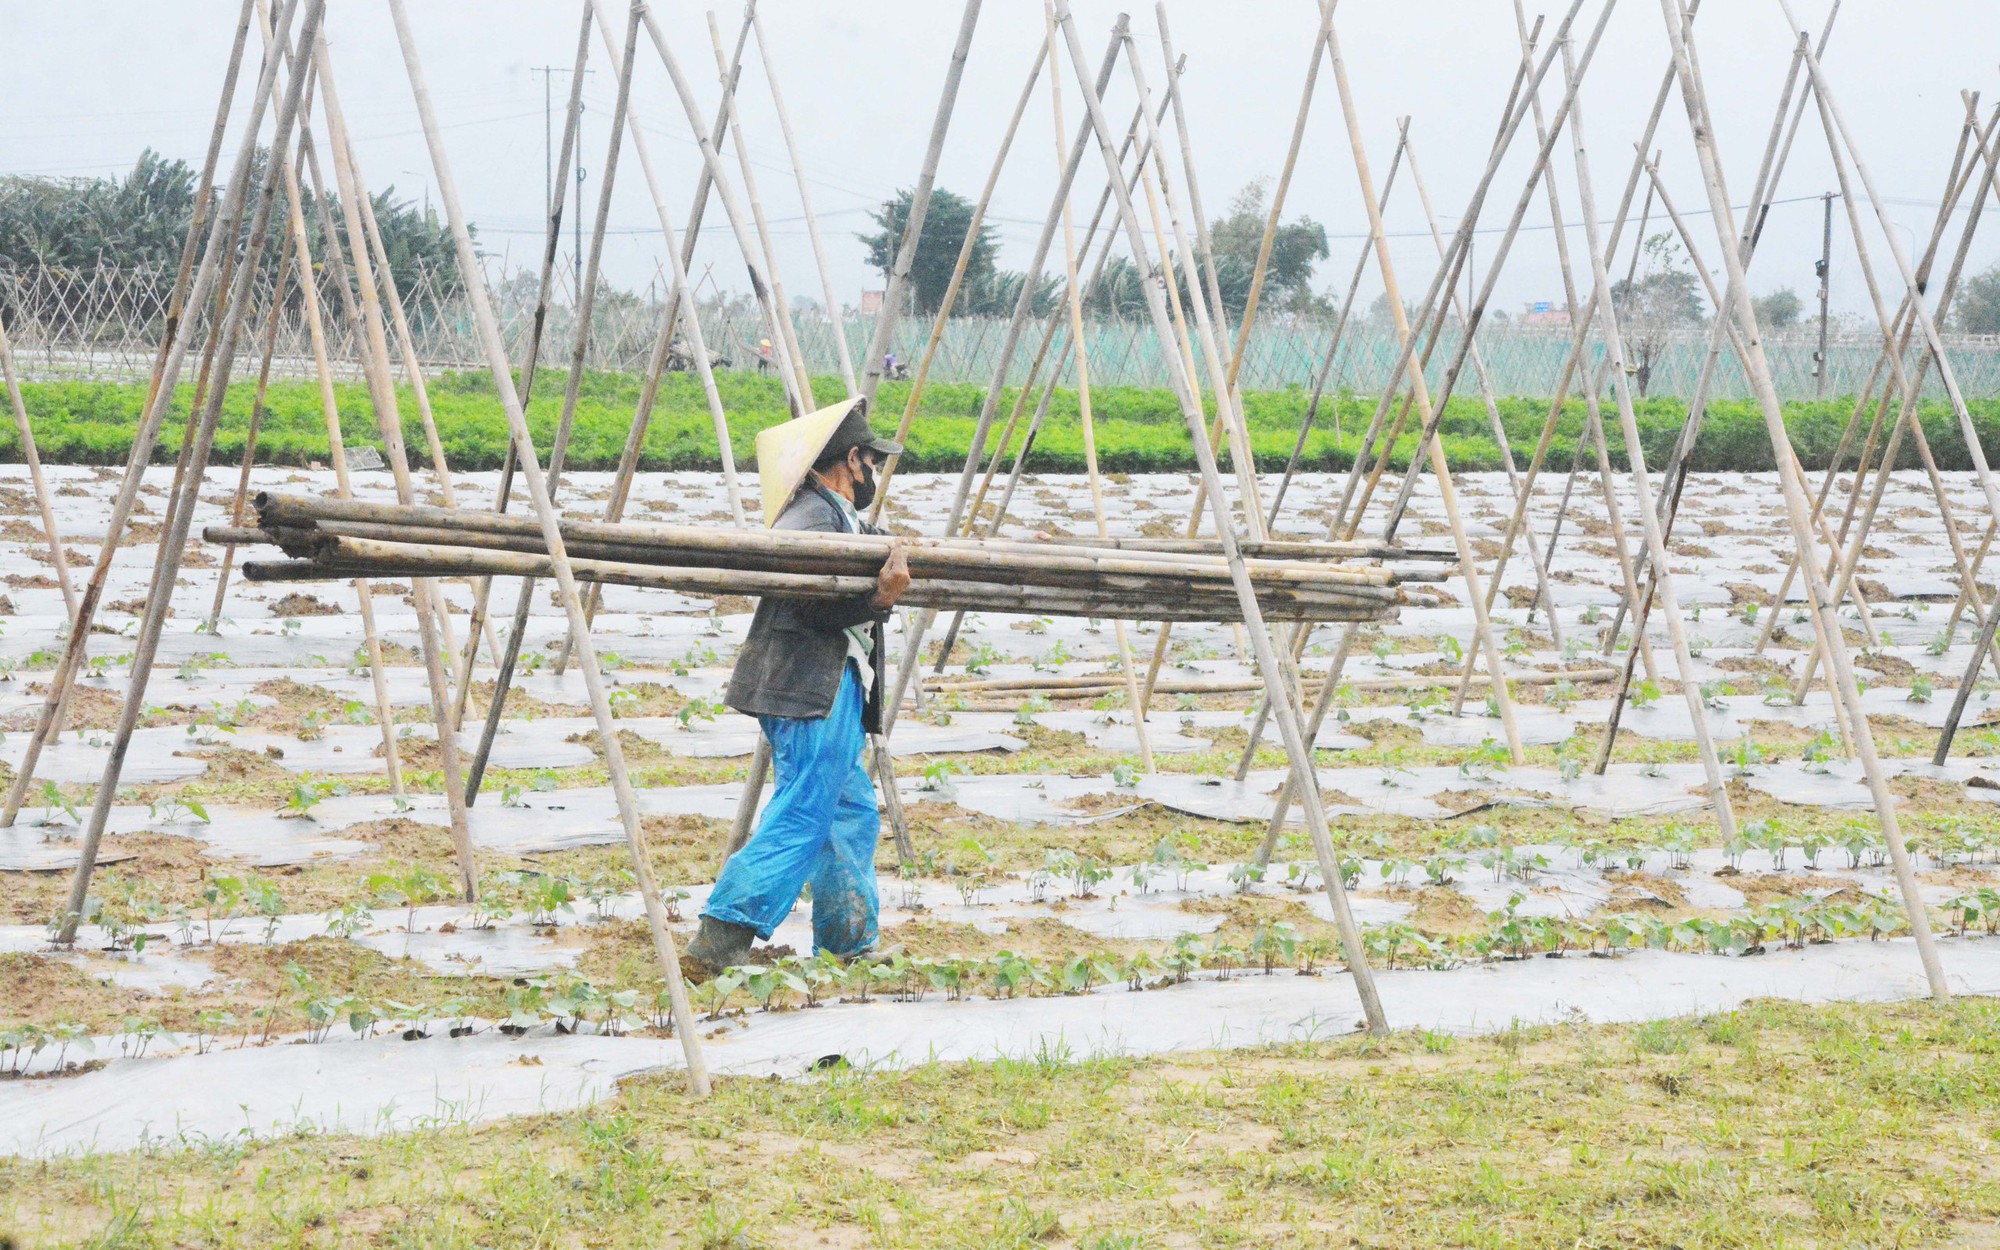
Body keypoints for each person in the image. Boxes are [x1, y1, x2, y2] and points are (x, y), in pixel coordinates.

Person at [687, 397, 910, 973]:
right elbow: (805, 604)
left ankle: (848, 946)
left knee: (848, 811)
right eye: (869, 462)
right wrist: (879, 598)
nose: (872, 475)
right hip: (811, 689)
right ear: (848, 460)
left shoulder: (838, 515)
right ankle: (721, 936)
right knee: (806, 809)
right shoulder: (810, 517)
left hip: (829, 685)